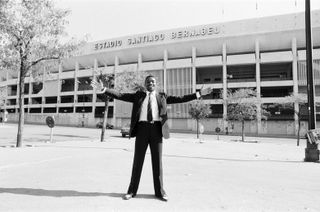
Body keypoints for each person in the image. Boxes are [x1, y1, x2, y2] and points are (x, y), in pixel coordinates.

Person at [92, 75, 212, 201]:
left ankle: (160, 192)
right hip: (142, 130)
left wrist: (199, 94)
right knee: (137, 161)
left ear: (156, 84)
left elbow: (181, 98)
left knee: (157, 162)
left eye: (153, 81)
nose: (151, 83)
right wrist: (104, 89)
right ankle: (131, 191)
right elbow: (120, 95)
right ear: (145, 84)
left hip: (156, 130)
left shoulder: (162, 97)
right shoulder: (138, 95)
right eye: (148, 81)